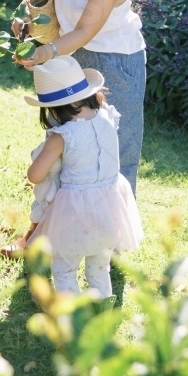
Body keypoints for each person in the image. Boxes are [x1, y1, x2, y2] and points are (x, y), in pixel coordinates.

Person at [13, 0, 146, 194]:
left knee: (112, 147)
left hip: (117, 64)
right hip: (69, 51)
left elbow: (87, 29)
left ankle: (111, 236)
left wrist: (45, 53)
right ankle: (54, 226)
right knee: (65, 143)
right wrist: (24, 13)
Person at [24, 55, 143, 298]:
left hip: (75, 211)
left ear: (53, 107)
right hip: (110, 206)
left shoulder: (62, 136)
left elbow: (35, 175)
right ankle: (101, 313)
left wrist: (43, 153)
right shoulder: (108, 116)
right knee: (99, 268)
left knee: (64, 266)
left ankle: (71, 318)